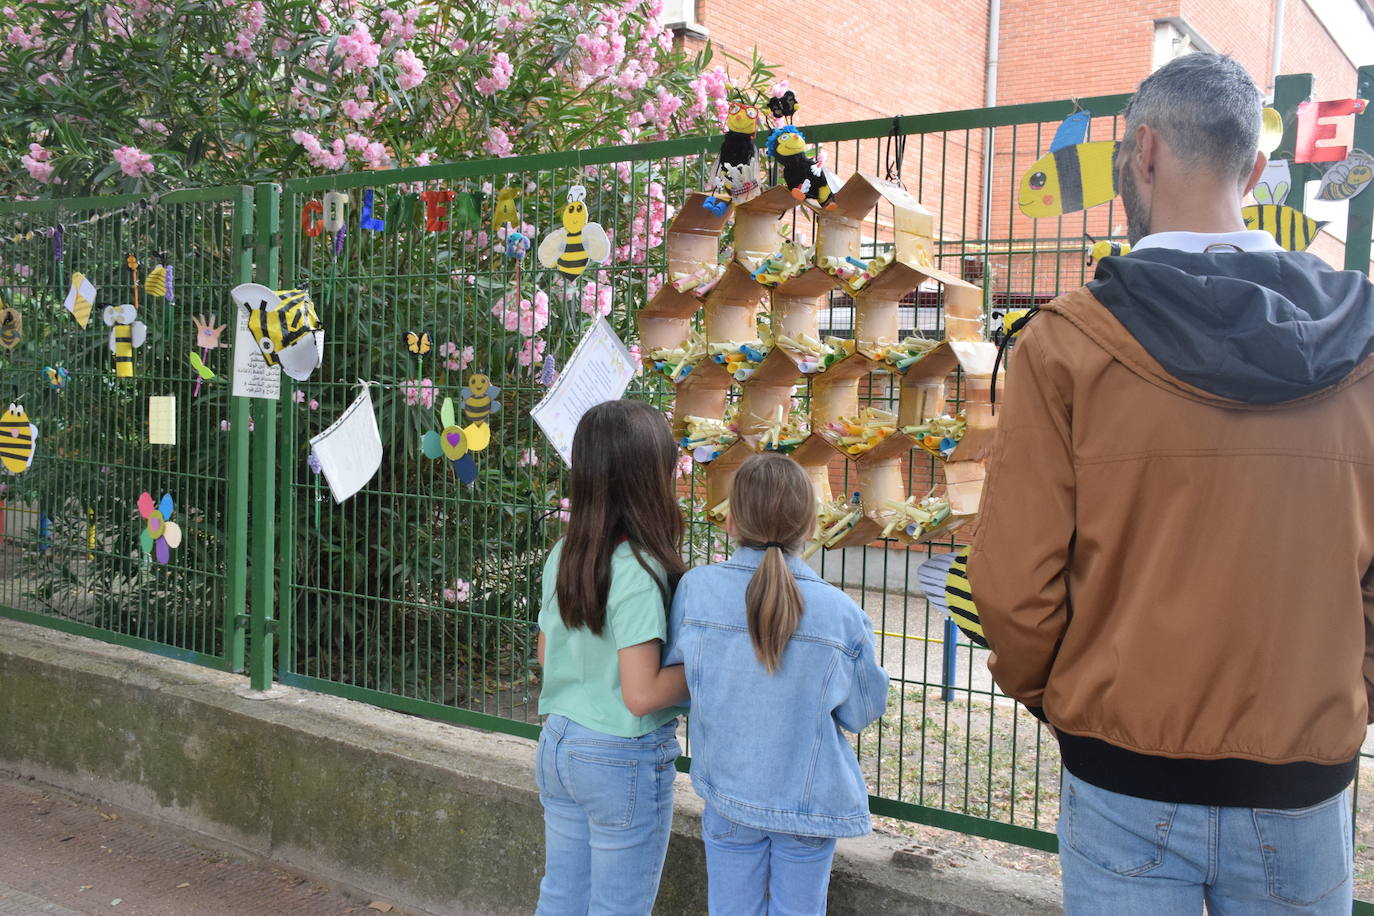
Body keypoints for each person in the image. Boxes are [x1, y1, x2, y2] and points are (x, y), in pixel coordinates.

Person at [967, 52, 1374, 914]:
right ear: (1255, 170)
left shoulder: (1065, 346)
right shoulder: (1364, 344)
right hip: (1302, 778)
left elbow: (1011, 586)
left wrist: (1078, 700)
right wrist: (1345, 697)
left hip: (1123, 771)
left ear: (1142, 153)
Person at [666, 452, 890, 915]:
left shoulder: (696, 589)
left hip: (728, 796)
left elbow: (686, 678)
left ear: (731, 522)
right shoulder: (842, 613)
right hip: (807, 805)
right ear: (810, 525)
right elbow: (861, 711)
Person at [533, 399, 691, 916]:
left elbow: (545, 653)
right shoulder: (640, 570)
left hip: (558, 744)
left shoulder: (564, 553)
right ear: (652, 477)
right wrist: (705, 669)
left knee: (562, 895)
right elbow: (641, 694)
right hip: (619, 755)